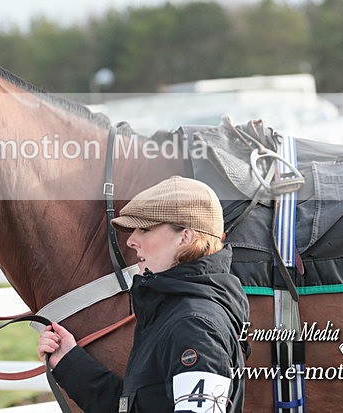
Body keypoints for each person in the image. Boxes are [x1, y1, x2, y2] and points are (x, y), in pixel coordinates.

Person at [38, 176, 249, 412]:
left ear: (186, 238)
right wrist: (69, 362)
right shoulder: (172, 312)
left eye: (145, 229)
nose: (131, 241)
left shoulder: (194, 325)